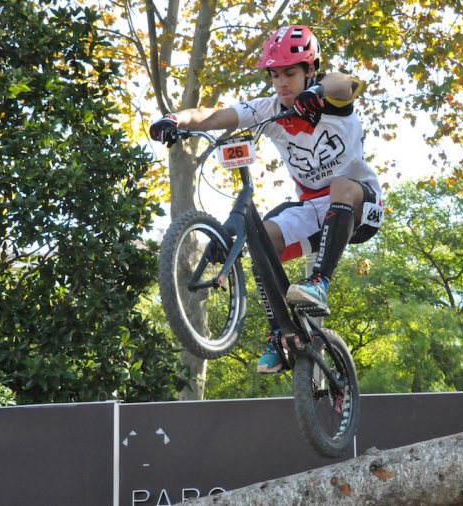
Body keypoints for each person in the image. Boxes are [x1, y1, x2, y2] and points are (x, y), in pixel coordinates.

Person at [149, 24, 383, 374]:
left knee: (341, 187)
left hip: (358, 205)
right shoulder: (269, 109)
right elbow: (213, 115)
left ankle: (319, 283)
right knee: (263, 236)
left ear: (310, 70)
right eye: (275, 76)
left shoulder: (331, 99)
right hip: (311, 210)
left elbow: (345, 83)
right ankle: (282, 332)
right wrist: (174, 120)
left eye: (290, 73)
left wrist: (316, 94)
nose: (282, 83)